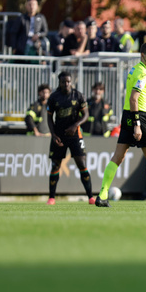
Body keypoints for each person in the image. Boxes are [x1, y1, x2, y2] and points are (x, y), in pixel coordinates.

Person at [95, 42, 146, 208]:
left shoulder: (135, 69)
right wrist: (138, 124)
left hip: (128, 114)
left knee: (118, 157)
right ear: (142, 55)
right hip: (137, 116)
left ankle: (102, 195)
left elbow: (138, 97)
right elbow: (134, 98)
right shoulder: (142, 73)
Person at [46, 72, 94, 206]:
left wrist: (75, 125)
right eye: (63, 82)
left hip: (75, 134)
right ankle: (51, 198)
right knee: (55, 165)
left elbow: (86, 115)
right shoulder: (54, 97)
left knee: (82, 164)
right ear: (59, 82)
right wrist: (53, 134)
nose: (66, 84)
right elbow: (49, 117)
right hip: (59, 135)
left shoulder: (78, 96)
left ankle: (90, 197)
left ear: (71, 82)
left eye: (68, 82)